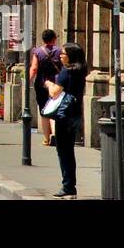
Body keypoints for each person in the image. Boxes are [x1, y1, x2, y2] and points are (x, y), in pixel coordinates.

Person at [44, 42, 87, 199]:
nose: (60, 56)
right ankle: (70, 185)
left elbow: (55, 93)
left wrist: (49, 84)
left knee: (63, 151)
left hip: (64, 115)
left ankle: (68, 185)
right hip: (74, 113)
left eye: (63, 54)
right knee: (69, 150)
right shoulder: (80, 71)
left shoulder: (65, 72)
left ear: (70, 57)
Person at [29, 29, 62, 146]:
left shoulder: (38, 52)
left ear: (43, 39)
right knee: (54, 108)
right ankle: (55, 134)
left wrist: (29, 80)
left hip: (41, 84)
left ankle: (46, 138)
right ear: (54, 39)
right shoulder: (60, 51)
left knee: (44, 111)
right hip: (57, 84)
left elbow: (34, 68)